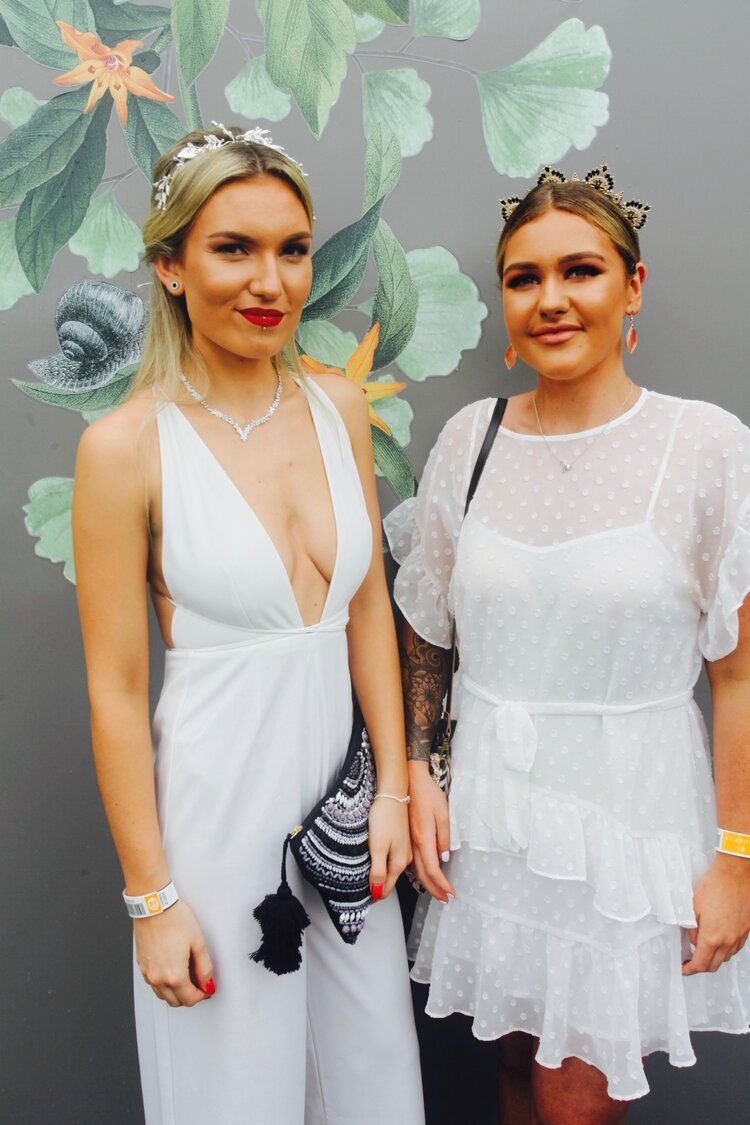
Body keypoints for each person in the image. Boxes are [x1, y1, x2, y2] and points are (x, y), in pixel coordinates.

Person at [72, 123, 425, 1124]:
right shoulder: (123, 449)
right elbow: (116, 688)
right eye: (234, 249)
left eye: (293, 248)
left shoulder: (338, 406)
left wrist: (394, 786)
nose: (271, 281)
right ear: (170, 266)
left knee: (368, 1086)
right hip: (216, 829)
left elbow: (364, 607)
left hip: (344, 822)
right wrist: (152, 898)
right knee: (237, 1098)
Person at [384, 166, 750, 1123]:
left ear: (633, 287)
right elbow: (428, 626)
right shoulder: (471, 438)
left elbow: (741, 677)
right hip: (494, 823)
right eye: (523, 277)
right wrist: (422, 768)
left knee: (574, 1102)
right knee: (511, 1071)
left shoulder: (705, 447)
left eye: (580, 270)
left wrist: (738, 855)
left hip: (623, 823)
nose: (550, 299)